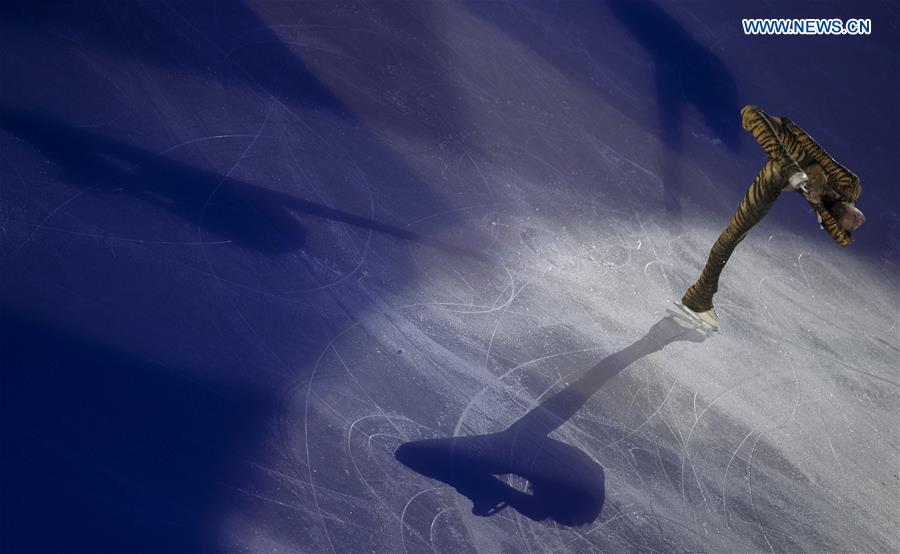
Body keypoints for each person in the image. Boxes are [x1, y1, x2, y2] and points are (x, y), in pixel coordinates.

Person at [679, 105, 864, 329]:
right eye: (856, 220)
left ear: (835, 223)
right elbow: (821, 156)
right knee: (751, 114)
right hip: (796, 155)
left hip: (778, 178)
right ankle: (701, 294)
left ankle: (700, 295)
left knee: (737, 233)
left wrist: (818, 204)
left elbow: (841, 239)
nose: (857, 222)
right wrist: (790, 148)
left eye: (851, 226)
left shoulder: (823, 207)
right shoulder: (850, 187)